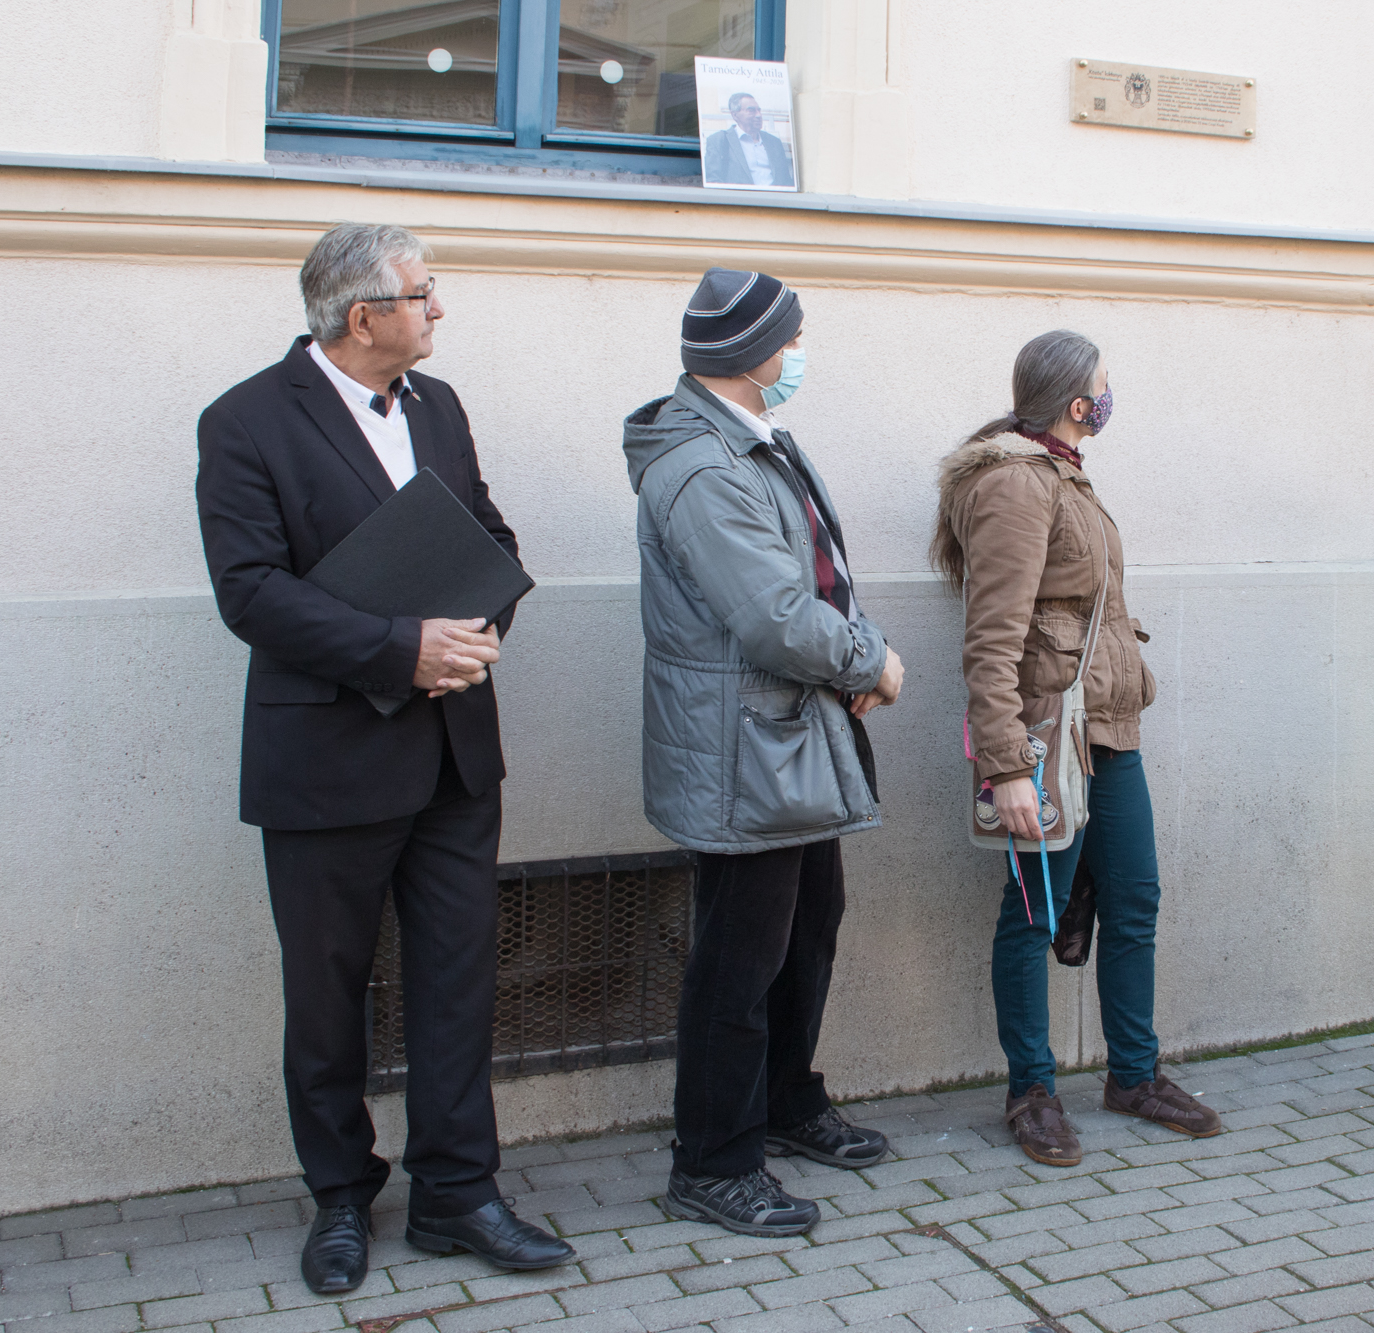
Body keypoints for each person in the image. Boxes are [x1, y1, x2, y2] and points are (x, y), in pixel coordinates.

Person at [196, 223, 572, 1295]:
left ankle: (457, 1193)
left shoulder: (438, 406)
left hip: (455, 752)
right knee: (327, 996)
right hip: (327, 760)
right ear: (362, 317)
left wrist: (475, 632)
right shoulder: (245, 420)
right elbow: (251, 591)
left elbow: (490, 537)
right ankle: (339, 1197)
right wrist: (403, 650)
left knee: (457, 982)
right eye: (422, 293)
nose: (438, 308)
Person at [623, 267, 904, 1236]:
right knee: (737, 961)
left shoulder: (754, 438)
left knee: (807, 924)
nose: (798, 352)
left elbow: (822, 574)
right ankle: (712, 1160)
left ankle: (785, 1098)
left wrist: (855, 651)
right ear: (750, 352)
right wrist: (872, 661)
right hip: (744, 751)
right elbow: (775, 615)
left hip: (788, 735)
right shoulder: (702, 467)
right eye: (790, 336)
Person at [929, 329, 1223, 1168]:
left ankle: (1133, 1075)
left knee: (1134, 898)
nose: (1110, 395)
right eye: (1103, 383)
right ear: (1075, 399)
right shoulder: (1016, 484)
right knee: (1034, 914)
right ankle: (1032, 1092)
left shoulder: (1064, 474)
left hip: (1108, 731)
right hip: (1048, 742)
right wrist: (1005, 766)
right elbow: (992, 640)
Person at [701, 92, 795, 187]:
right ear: (735, 115)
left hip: (774, 195)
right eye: (751, 110)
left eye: (759, 110)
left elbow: (786, 180)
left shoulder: (774, 142)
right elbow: (713, 180)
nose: (758, 115)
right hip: (740, 195)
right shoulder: (720, 140)